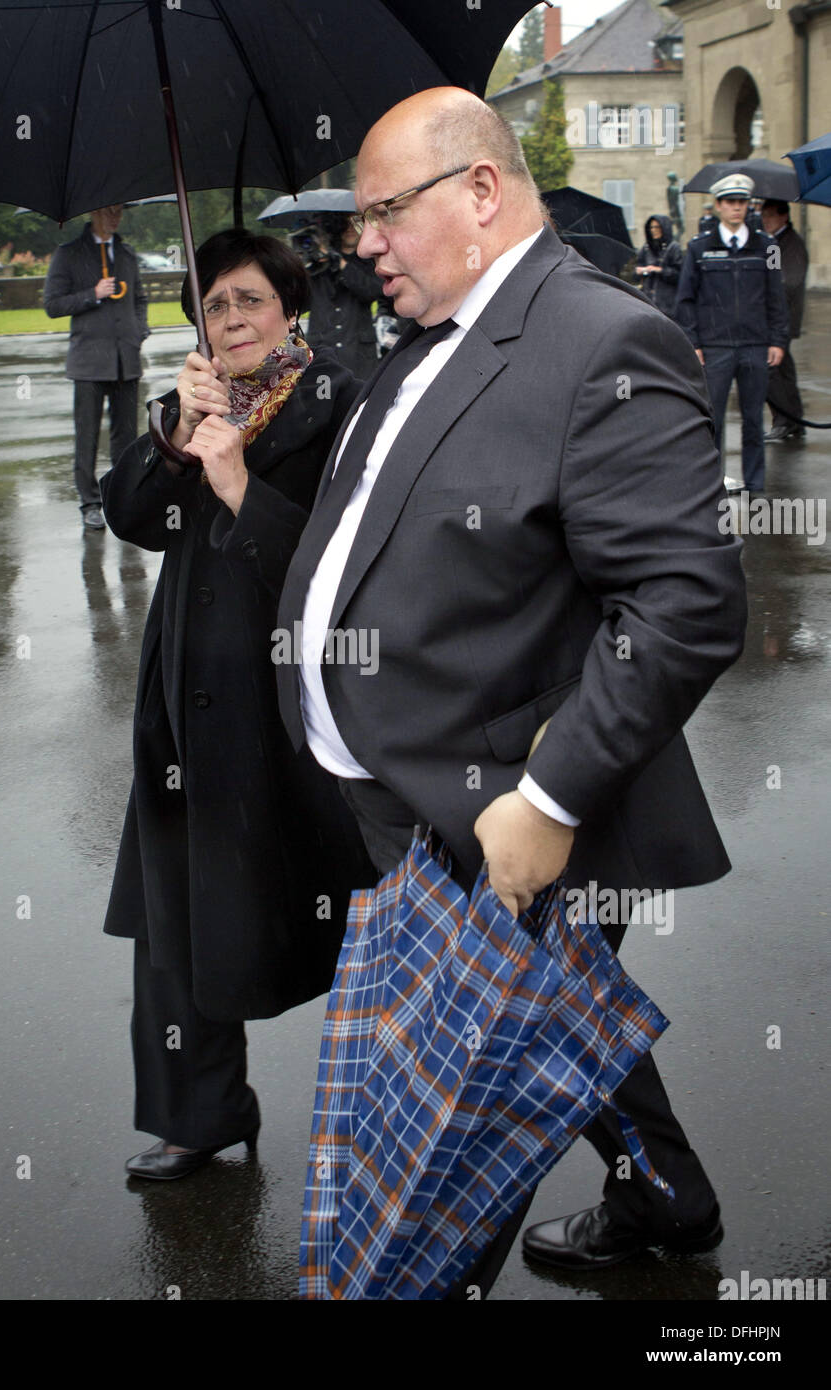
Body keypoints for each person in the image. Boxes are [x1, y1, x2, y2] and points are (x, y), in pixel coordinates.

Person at [276, 87, 747, 1294]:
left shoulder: (601, 339)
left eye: (383, 211)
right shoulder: (423, 334)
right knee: (543, 1030)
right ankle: (668, 1195)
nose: (360, 240)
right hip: (395, 806)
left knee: (438, 1169)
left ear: (481, 192)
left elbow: (685, 605)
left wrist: (544, 798)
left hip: (499, 829)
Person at [100, 228, 374, 1181]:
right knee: (179, 912)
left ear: (289, 305)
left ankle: (385, 1115)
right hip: (185, 691)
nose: (233, 320)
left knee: (340, 905)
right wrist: (176, 440)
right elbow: (130, 516)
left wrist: (238, 483)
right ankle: (200, 1113)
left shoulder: (342, 397)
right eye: (214, 306)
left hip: (285, 704)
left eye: (249, 299)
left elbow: (343, 562)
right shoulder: (193, 401)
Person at [675, 174, 790, 495]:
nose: (736, 208)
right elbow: (685, 300)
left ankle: (755, 485)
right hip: (716, 347)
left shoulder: (768, 247)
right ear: (718, 206)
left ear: (746, 205)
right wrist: (693, 342)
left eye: (741, 202)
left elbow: (776, 296)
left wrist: (778, 340)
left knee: (754, 420)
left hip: (755, 345)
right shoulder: (698, 249)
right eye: (729, 202)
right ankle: (712, 485)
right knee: (714, 421)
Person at [44, 205, 148, 530]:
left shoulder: (127, 254)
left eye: (119, 211)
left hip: (125, 361)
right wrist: (93, 293)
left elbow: (140, 299)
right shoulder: (69, 254)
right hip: (89, 363)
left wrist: (139, 331)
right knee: (87, 437)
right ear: (94, 213)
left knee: (127, 437)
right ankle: (90, 503)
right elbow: (53, 304)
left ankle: (124, 498)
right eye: (109, 211)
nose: (115, 217)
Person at [295, 213, 388, 378]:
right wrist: (313, 261)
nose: (350, 229)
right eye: (344, 224)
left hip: (359, 352)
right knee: (323, 398)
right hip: (323, 350)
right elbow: (302, 302)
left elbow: (372, 291)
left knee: (360, 399)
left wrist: (342, 265)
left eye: (355, 223)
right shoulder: (319, 261)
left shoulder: (371, 261)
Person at [761, 199, 809, 443]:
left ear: (784, 217)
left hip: (783, 317)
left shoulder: (792, 243)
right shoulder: (773, 244)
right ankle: (794, 420)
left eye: (769, 215)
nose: (765, 220)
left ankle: (784, 420)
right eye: (763, 215)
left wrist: (765, 288)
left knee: (774, 370)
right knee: (785, 371)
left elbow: (790, 281)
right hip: (774, 316)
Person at [635, 213, 683, 317]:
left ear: (663, 228)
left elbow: (678, 275)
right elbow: (638, 267)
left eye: (657, 227)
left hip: (667, 301)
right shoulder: (646, 248)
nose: (653, 230)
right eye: (651, 227)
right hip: (648, 299)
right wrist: (641, 271)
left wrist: (659, 270)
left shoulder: (673, 248)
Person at [666, 171, 684, 241]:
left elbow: (670, 201)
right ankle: (675, 239)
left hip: (673, 209)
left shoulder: (669, 188)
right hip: (676, 210)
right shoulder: (674, 189)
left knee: (678, 227)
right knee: (681, 228)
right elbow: (674, 201)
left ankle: (674, 238)